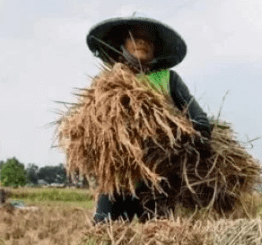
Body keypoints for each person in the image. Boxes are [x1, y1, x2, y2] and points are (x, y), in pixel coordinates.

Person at [86, 17, 211, 223]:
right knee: (102, 236)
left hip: (158, 179)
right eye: (135, 37)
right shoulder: (105, 82)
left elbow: (200, 121)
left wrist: (181, 138)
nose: (142, 42)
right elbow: (89, 128)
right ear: (122, 44)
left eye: (148, 40)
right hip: (115, 179)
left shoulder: (168, 79)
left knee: (161, 242)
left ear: (156, 50)